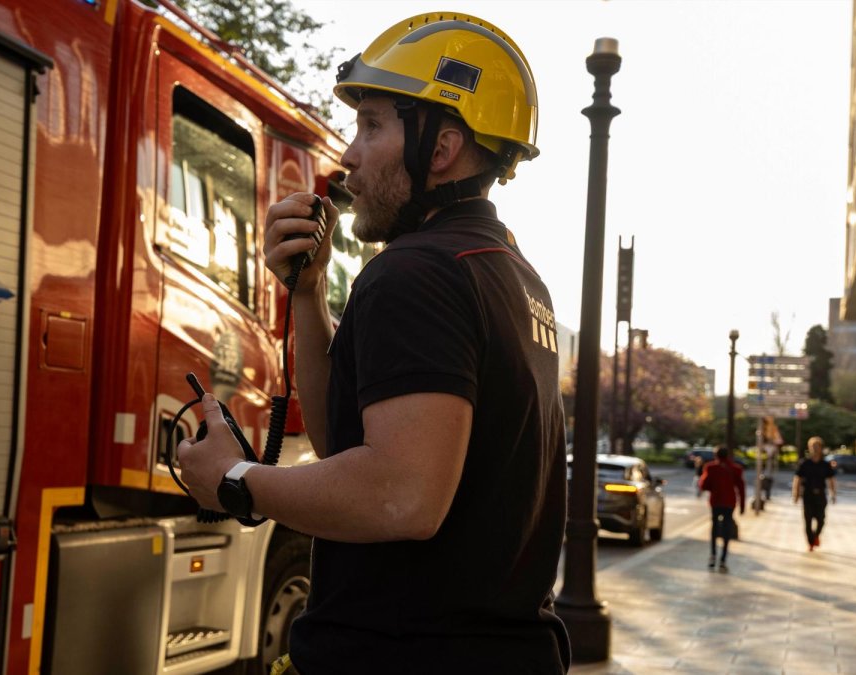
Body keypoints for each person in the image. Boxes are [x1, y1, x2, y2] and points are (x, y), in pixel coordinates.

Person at [178, 13, 570, 674]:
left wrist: (235, 480)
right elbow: (350, 445)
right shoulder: (511, 273)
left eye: (372, 125)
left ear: (439, 147)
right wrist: (307, 293)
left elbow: (401, 495)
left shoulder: (416, 272)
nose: (348, 155)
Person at [699, 446, 746, 572]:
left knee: (714, 527)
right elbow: (741, 488)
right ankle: (723, 559)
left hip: (716, 501)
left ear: (716, 455)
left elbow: (703, 485)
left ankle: (713, 555)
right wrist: (742, 505)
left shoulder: (710, 467)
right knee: (726, 529)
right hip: (729, 502)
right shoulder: (736, 469)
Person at [793, 436, 837, 551]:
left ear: (821, 448)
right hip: (808, 495)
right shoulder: (804, 463)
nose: (815, 449)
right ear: (809, 448)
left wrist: (833, 494)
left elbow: (831, 480)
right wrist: (796, 494)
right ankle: (811, 543)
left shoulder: (825, 464)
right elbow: (797, 479)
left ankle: (816, 535)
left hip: (821, 495)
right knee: (807, 520)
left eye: (817, 446)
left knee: (821, 519)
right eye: (813, 446)